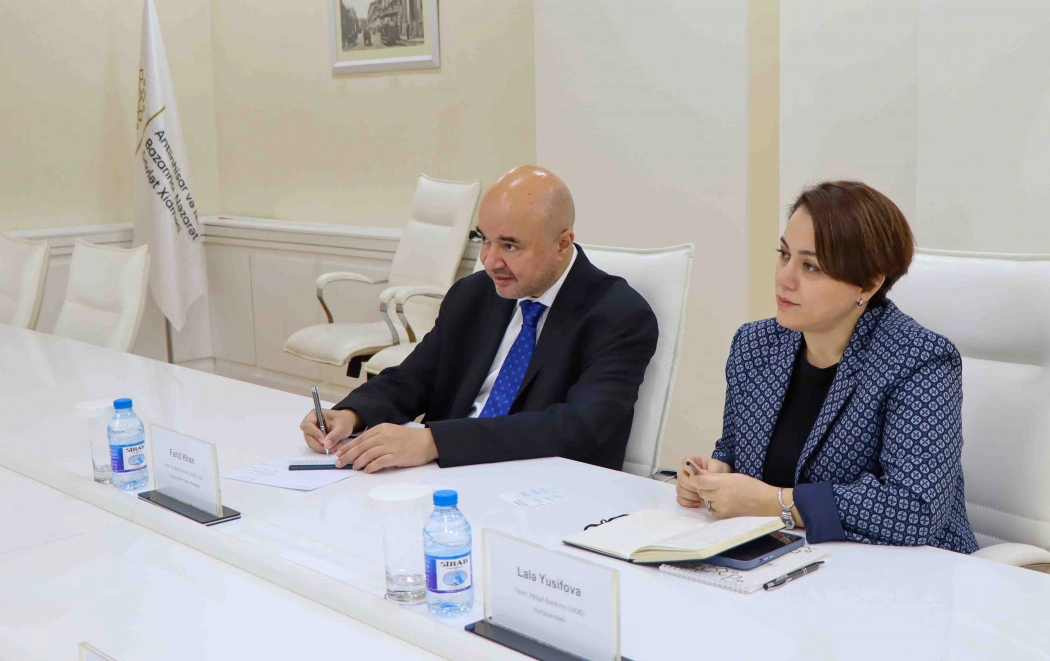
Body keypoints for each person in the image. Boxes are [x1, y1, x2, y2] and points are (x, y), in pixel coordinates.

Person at [676, 181, 977, 554]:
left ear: (867, 284)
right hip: (785, 560)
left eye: (810, 266)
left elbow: (914, 509)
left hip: (909, 573)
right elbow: (736, 450)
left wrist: (776, 502)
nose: (784, 278)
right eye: (784, 255)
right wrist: (715, 475)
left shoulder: (920, 360)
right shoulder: (755, 345)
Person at [300, 165, 659, 473]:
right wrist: (351, 415)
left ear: (562, 244)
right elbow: (415, 377)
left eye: (510, 246)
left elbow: (578, 428)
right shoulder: (474, 294)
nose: (489, 261)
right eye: (484, 240)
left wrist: (434, 442)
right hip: (445, 478)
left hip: (543, 487)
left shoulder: (620, 316)